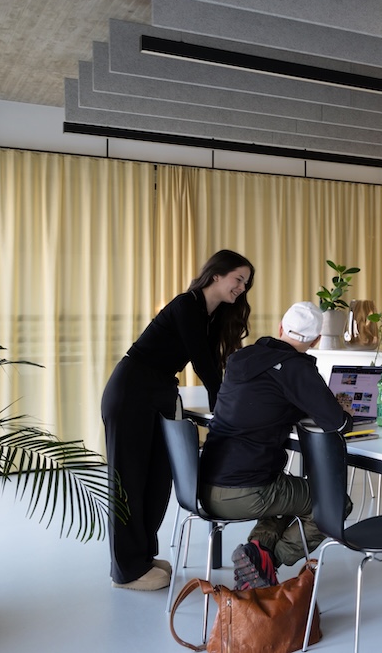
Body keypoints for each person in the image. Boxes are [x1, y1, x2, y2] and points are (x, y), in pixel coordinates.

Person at [102, 249, 254, 590]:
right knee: (128, 481)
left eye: (246, 283)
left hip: (158, 391)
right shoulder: (187, 305)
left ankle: (142, 556)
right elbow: (203, 364)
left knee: (157, 479)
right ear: (216, 274)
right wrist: (222, 406)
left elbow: (216, 364)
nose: (242, 288)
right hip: (132, 390)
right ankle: (125, 571)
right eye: (238, 279)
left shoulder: (212, 316)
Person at [199, 301, 353, 589]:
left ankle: (256, 553)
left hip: (205, 484)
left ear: (281, 328)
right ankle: (268, 560)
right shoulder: (297, 369)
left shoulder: (240, 359)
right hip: (248, 490)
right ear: (317, 340)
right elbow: (337, 423)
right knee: (335, 503)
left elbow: (266, 401)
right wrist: (342, 412)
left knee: (285, 491)